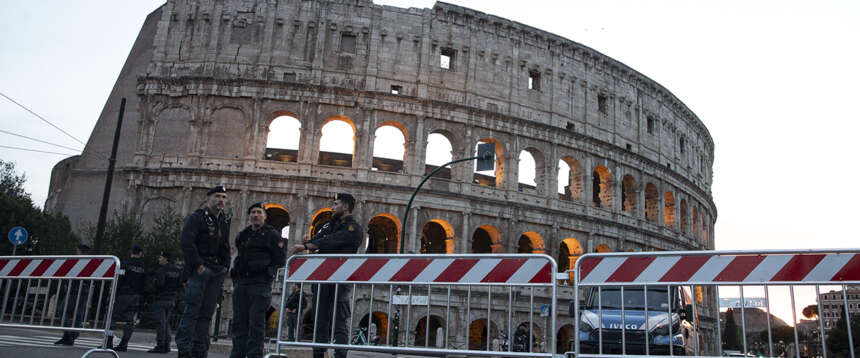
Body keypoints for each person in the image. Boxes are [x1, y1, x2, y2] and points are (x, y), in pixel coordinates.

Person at [292, 193, 363, 358]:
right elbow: (318, 239)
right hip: (322, 278)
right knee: (319, 319)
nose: (332, 207)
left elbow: (334, 240)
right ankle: (318, 354)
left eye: (336, 204)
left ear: (345, 207)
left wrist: (310, 245)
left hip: (340, 279)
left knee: (339, 320)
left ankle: (340, 355)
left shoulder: (353, 228)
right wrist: (310, 243)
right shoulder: (328, 225)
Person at [176, 185, 232, 358]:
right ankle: (184, 350)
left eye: (223, 197)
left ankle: (200, 350)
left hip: (216, 271)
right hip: (200, 269)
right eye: (217, 196)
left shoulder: (223, 221)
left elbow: (225, 246)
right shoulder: (197, 217)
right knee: (192, 311)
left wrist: (225, 266)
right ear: (209, 198)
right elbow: (186, 241)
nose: (221, 200)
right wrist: (198, 264)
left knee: (207, 313)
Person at [229, 202, 286, 358]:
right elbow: (239, 254)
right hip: (242, 282)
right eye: (253, 212)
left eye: (259, 212)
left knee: (256, 323)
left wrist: (269, 273)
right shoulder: (243, 234)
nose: (255, 215)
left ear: (265, 216)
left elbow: (280, 259)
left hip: (260, 283)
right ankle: (237, 354)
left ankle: (254, 355)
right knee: (239, 323)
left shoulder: (272, 235)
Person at [107, 244, 147, 351]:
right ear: (140, 253)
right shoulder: (143, 267)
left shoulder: (125, 263)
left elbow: (119, 280)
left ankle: (108, 342)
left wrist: (114, 294)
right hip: (135, 296)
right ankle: (124, 344)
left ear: (131, 252)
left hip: (123, 294)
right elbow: (144, 283)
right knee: (129, 321)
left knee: (112, 318)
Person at [53, 244, 91, 346]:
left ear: (79, 251)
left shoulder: (76, 261)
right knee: (78, 314)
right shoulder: (90, 262)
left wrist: (67, 285)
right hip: (84, 291)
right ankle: (73, 334)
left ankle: (68, 334)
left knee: (62, 310)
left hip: (74, 290)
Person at [148, 251, 182, 354]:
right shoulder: (177, 270)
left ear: (165, 259)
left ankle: (160, 345)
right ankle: (167, 344)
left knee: (160, 323)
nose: (159, 259)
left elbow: (159, 284)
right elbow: (179, 285)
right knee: (166, 323)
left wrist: (154, 286)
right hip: (171, 299)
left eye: (161, 257)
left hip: (161, 298)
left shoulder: (162, 270)